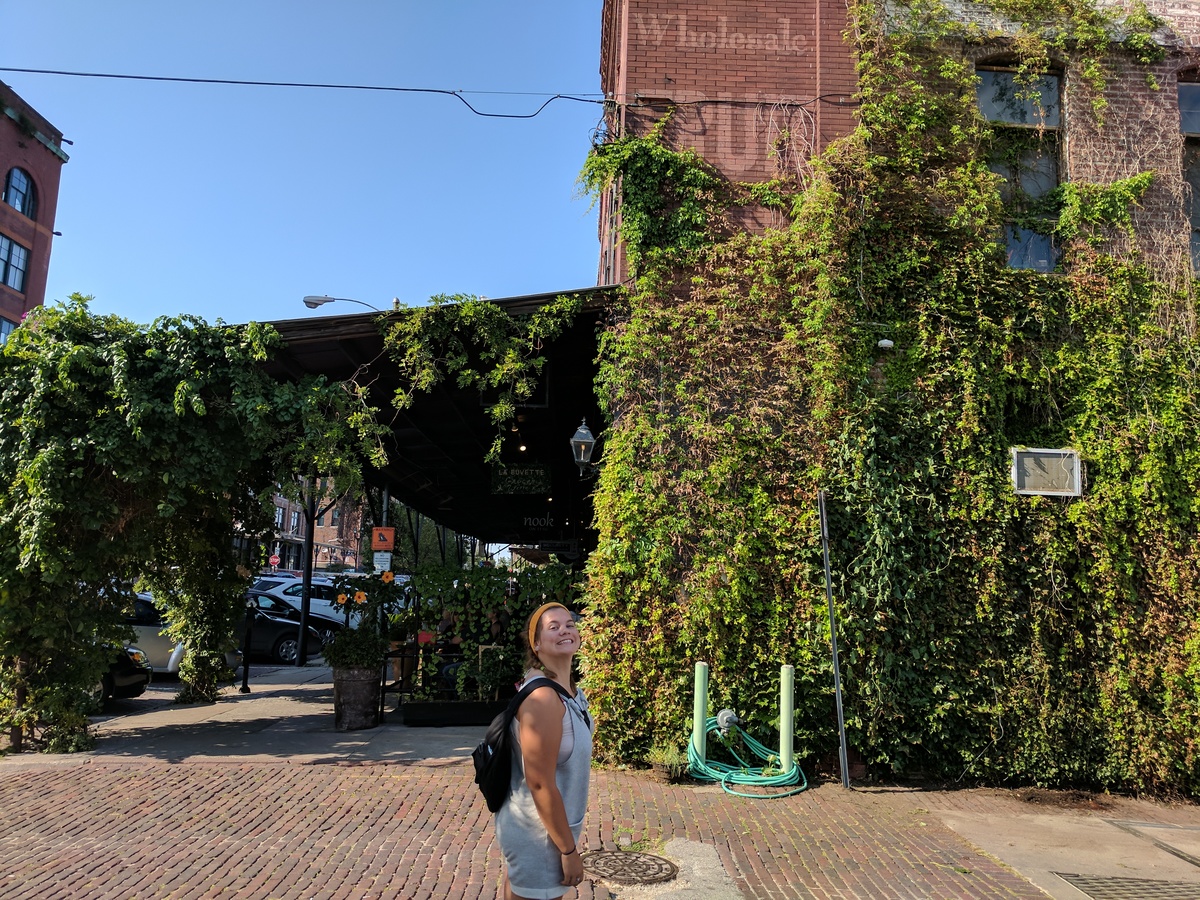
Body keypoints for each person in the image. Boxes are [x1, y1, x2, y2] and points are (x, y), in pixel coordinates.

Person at [494, 602, 593, 900]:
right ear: (536, 644)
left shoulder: (572, 693)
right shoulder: (543, 699)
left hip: (549, 831)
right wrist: (569, 850)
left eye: (570, 624)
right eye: (553, 627)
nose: (565, 629)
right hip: (539, 837)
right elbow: (539, 782)